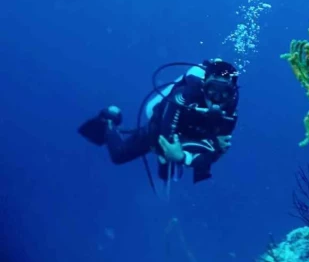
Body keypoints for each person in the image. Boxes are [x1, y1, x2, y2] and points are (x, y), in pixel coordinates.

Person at [79, 59, 239, 185]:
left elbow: (218, 151)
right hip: (162, 127)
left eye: (223, 94)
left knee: (172, 169)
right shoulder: (184, 95)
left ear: (231, 94)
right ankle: (109, 119)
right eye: (212, 90)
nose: (216, 100)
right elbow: (165, 137)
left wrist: (184, 157)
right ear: (204, 86)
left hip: (190, 134)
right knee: (119, 156)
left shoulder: (231, 112)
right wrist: (179, 157)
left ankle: (170, 161)